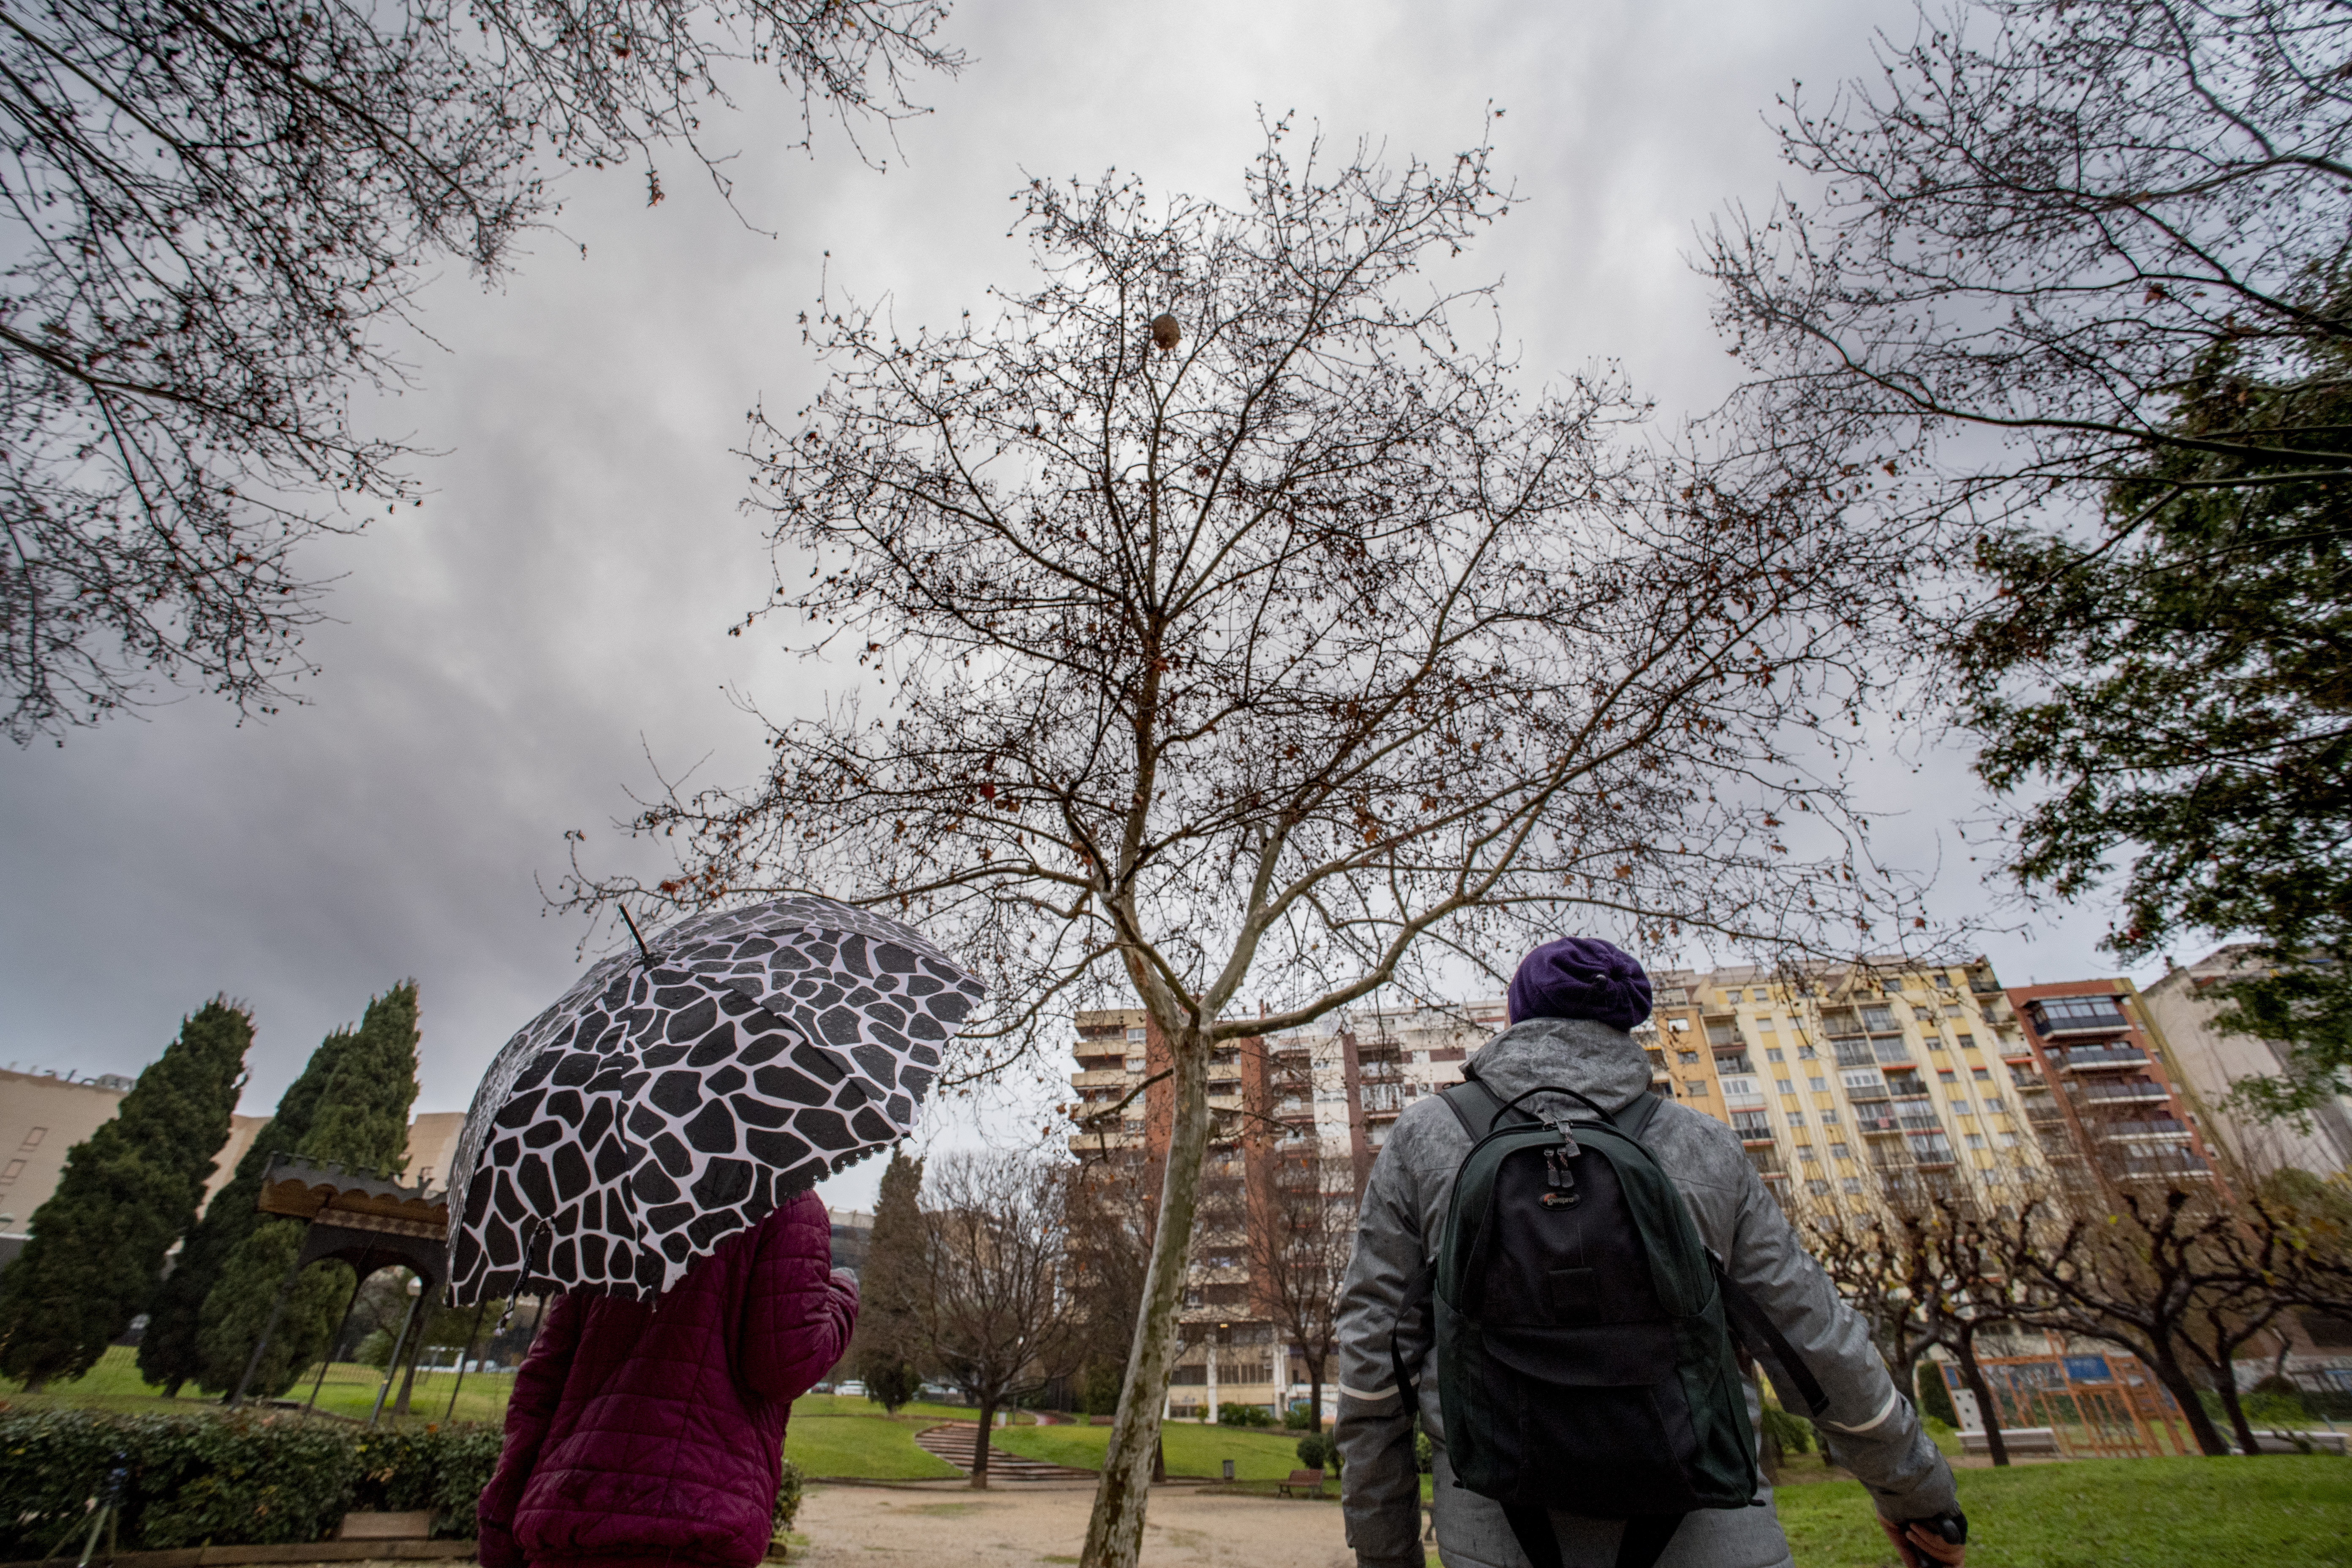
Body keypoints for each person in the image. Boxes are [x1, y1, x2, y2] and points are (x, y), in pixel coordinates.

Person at [1333, 937, 1966, 1568]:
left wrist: (1385, 1550)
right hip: (1712, 1527)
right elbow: (1815, 1341)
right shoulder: (1704, 1145)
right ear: (1625, 1023)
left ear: (1514, 1018)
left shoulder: (1425, 1138)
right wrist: (1918, 1496)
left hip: (1497, 1532)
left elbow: (1373, 1360)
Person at [479, 1188, 857, 1568]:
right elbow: (784, 1367)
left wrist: (498, 1524)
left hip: (567, 1524)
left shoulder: (610, 1203)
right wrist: (842, 1296)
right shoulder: (785, 1201)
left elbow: (542, 1381)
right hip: (693, 1528)